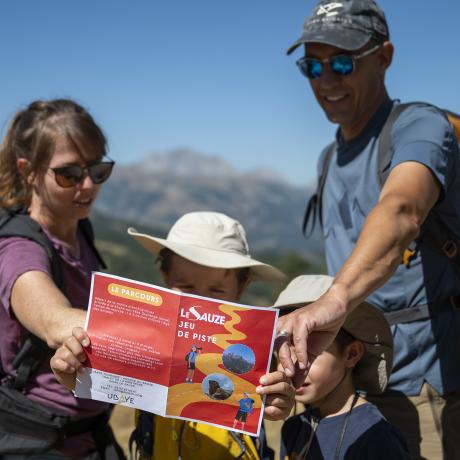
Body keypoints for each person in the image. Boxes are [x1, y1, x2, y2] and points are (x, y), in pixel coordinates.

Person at [277, 1, 460, 459]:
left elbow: (401, 211)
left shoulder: (419, 127)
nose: (326, 80)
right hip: (350, 384)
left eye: (342, 62)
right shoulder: (329, 157)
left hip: (426, 386)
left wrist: (334, 300)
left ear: (384, 57)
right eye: (312, 67)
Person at [51, 211, 294, 460]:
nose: (199, 301)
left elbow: (276, 400)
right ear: (167, 277)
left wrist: (278, 402)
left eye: (217, 290)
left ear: (242, 288)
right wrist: (74, 375)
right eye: (187, 287)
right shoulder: (146, 339)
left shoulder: (257, 352)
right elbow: (109, 383)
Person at [0, 99, 124, 459]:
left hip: (88, 434)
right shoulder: (18, 249)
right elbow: (55, 323)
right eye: (68, 174)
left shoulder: (79, 227)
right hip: (34, 439)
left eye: (98, 170)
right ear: (28, 171)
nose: (87, 186)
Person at [275, 275, 409, 459]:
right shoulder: (293, 429)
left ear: (352, 354)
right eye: (283, 352)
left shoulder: (375, 436)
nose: (293, 367)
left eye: (311, 351)